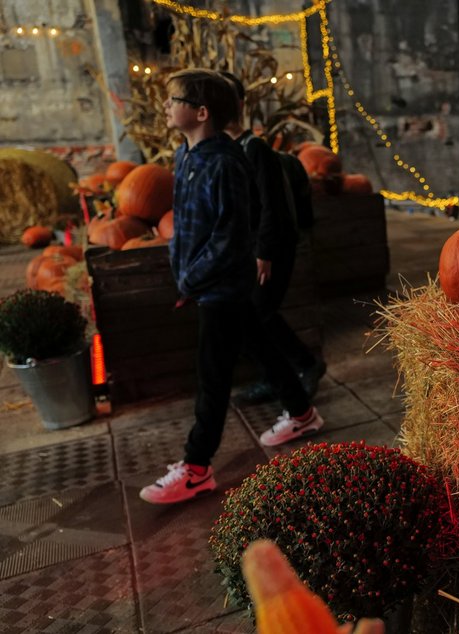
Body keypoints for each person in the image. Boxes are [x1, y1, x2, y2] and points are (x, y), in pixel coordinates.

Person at [140, 69, 324, 505]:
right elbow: (186, 226)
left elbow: (230, 236)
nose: (166, 106)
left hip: (220, 286)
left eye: (174, 100)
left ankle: (196, 467)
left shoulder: (225, 163)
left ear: (201, 112)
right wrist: (182, 270)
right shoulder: (185, 156)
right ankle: (302, 412)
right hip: (205, 282)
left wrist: (192, 278)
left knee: (213, 375)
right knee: (259, 344)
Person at [217, 70, 326, 403]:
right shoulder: (224, 150)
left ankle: (306, 364)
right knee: (247, 317)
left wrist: (264, 253)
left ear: (238, 104)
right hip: (242, 251)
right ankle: (272, 377)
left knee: (260, 312)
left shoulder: (255, 149)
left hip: (270, 248)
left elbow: (272, 206)